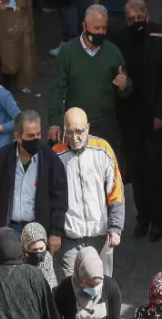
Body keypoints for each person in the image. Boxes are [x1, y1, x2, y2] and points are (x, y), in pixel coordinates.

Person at [113, 0, 162, 241]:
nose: (137, 23)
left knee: (153, 168)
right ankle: (142, 218)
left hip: (153, 116)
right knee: (137, 171)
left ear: (147, 16)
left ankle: (157, 221)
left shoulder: (159, 38)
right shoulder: (120, 39)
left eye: (140, 18)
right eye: (132, 19)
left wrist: (160, 114)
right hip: (130, 116)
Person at [53, 108, 125, 277]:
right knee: (71, 289)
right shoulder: (55, 155)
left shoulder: (103, 149)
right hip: (70, 238)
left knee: (100, 285)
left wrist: (115, 227)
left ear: (88, 128)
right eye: (69, 132)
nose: (74, 137)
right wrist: (54, 232)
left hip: (99, 236)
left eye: (79, 132)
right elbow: (50, 198)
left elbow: (116, 191)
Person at [48, 5, 132, 146]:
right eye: (96, 28)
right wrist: (54, 123)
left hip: (105, 126)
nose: (100, 32)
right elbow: (58, 89)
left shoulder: (113, 52)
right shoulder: (68, 51)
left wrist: (124, 84)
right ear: (84, 26)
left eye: (104, 28)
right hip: (76, 125)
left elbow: (126, 88)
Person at [0, 110, 68, 241]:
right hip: (9, 230)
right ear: (18, 136)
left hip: (38, 231)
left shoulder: (50, 159)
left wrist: (55, 232)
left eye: (38, 134)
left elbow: (60, 198)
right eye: (30, 135)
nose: (36, 139)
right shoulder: (3, 157)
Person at [22, 222, 60, 289]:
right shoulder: (20, 260)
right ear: (26, 248)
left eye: (41, 248)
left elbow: (51, 284)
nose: (38, 253)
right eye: (34, 249)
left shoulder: (47, 257)